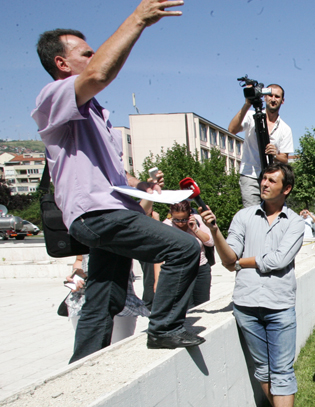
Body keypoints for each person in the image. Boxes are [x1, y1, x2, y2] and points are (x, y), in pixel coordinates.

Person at [32, 1, 204, 361]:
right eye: (86, 53)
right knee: (183, 248)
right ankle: (164, 329)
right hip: (98, 214)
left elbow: (110, 174)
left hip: (107, 208)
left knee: (103, 293)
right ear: (62, 64)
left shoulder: (94, 113)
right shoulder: (54, 96)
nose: (95, 56)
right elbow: (98, 74)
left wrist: (142, 188)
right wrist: (137, 20)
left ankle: (83, 365)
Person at [199, 162, 304, 407]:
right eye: (263, 178)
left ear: (286, 189)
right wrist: (215, 231)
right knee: (263, 369)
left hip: (279, 305)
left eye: (272, 180)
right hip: (245, 304)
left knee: (282, 369)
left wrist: (241, 263)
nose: (264, 183)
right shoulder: (243, 216)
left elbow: (279, 259)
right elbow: (228, 259)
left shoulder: (295, 222)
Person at [228, 80, 293, 208]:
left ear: (282, 100)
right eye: (270, 95)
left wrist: (275, 154)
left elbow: (284, 159)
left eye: (277, 96)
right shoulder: (251, 116)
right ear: (264, 97)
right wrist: (247, 103)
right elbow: (232, 129)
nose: (273, 99)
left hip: (272, 176)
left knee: (273, 213)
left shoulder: (285, 129)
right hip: (250, 174)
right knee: (253, 213)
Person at [161, 200, 214, 308]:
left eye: (184, 219)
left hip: (201, 268)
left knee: (203, 305)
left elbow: (210, 242)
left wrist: (194, 228)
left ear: (190, 213)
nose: (180, 223)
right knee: (185, 306)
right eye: (176, 219)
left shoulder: (197, 220)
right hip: (180, 271)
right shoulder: (166, 226)